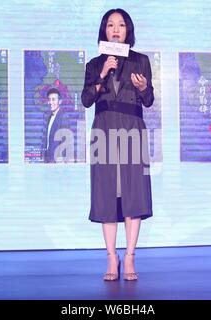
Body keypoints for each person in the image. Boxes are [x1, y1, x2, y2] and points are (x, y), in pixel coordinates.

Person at [81, 8, 154, 281]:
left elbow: (148, 101)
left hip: (132, 127)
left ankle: (131, 256)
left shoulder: (141, 61)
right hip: (104, 128)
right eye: (110, 25)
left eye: (121, 25)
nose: (115, 29)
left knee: (133, 192)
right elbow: (86, 100)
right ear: (104, 30)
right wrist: (102, 74)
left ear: (128, 30)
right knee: (107, 192)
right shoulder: (94, 64)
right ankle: (112, 258)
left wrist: (144, 87)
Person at [42, 88, 68, 163]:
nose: (50, 102)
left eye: (53, 99)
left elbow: (66, 141)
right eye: (49, 100)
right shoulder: (49, 117)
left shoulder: (63, 117)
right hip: (48, 160)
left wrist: (62, 160)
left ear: (59, 101)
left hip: (57, 162)